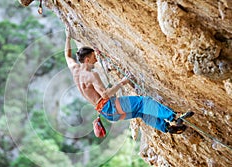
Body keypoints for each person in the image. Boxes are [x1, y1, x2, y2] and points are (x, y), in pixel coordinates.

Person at [64, 29, 193, 134]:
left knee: (141, 112)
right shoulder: (92, 75)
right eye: (93, 57)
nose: (96, 59)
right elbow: (105, 95)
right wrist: (123, 82)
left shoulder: (75, 71)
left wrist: (68, 37)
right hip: (110, 106)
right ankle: (174, 117)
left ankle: (167, 128)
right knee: (143, 102)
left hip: (107, 114)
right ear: (87, 59)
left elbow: (67, 56)